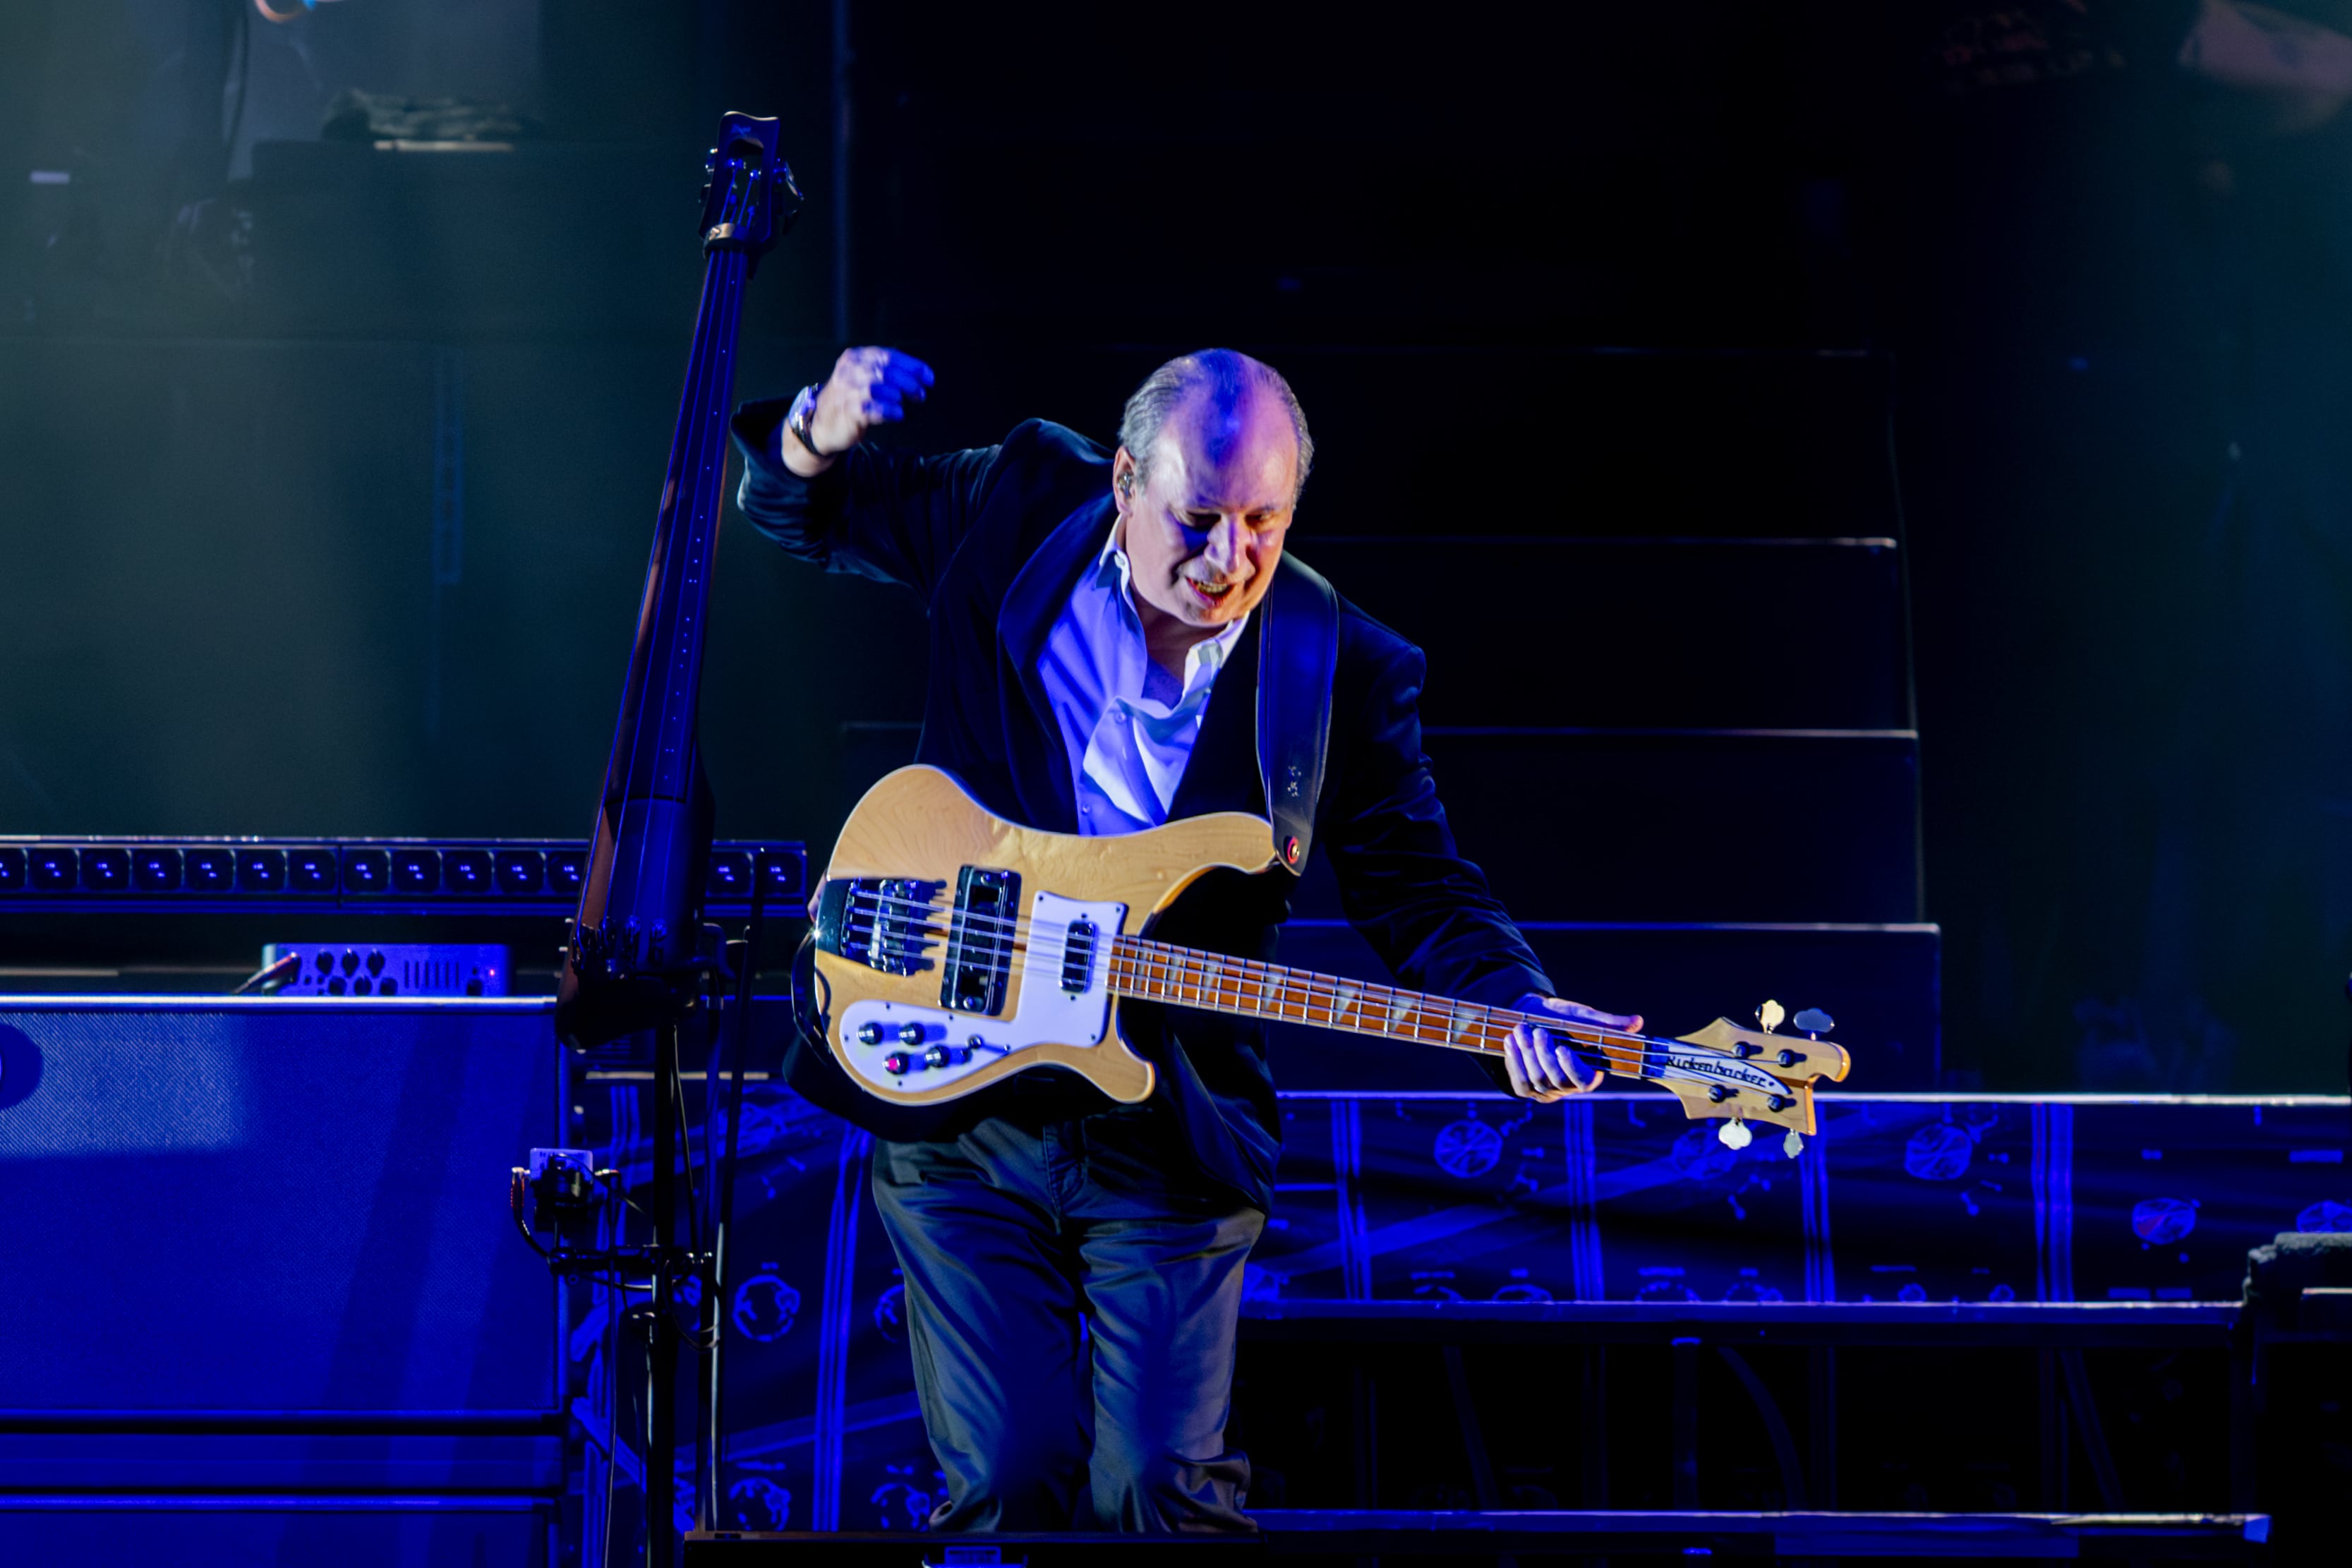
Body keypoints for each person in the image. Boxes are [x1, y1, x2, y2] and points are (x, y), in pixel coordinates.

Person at [729, 347, 1637, 1533]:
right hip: (961, 1105)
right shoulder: (1013, 501)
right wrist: (817, 426)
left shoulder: (1337, 665)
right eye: (1198, 519)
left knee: (1162, 1490)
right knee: (1006, 1479)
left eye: (1264, 521)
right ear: (1121, 480)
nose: (1229, 561)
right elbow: (805, 511)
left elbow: (1420, 887)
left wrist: (1516, 999)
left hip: (1166, 1130)